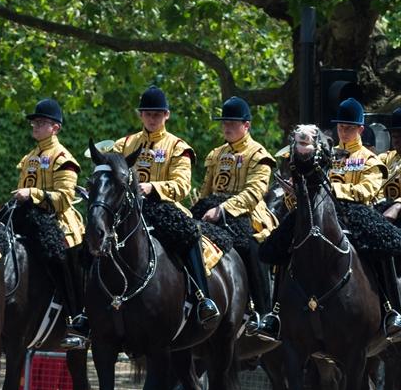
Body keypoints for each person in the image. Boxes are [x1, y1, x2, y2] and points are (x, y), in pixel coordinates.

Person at [259, 98, 401, 342]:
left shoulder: (370, 159)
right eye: (340, 126)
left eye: (349, 127)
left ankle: (391, 310)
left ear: (360, 130)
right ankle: (275, 313)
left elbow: (367, 191)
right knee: (283, 243)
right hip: (318, 211)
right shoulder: (325, 155)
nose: (343, 131)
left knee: (383, 241)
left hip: (354, 213)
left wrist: (333, 191)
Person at [111, 85, 220, 325]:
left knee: (190, 234)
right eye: (148, 113)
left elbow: (182, 185)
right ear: (140, 115)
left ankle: (203, 298)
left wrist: (153, 188)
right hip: (128, 208)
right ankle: (86, 310)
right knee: (97, 236)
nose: (152, 118)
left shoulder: (178, 147)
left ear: (166, 115)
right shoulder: (122, 145)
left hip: (161, 207)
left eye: (157, 114)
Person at [195, 96, 277, 340]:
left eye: (232, 122)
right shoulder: (215, 154)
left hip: (248, 216)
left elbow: (254, 192)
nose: (227, 127)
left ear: (246, 125)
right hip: (212, 212)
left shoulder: (259, 154)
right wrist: (200, 210)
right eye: (224, 122)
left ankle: (264, 314)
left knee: (252, 248)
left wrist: (223, 210)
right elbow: (205, 190)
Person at [10, 99, 89, 350]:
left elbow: (64, 198)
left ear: (55, 127)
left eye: (42, 122)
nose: (35, 125)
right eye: (35, 122)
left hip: (57, 220)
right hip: (26, 216)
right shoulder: (29, 157)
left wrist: (33, 194)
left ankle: (77, 318)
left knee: (60, 258)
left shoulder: (64, 158)